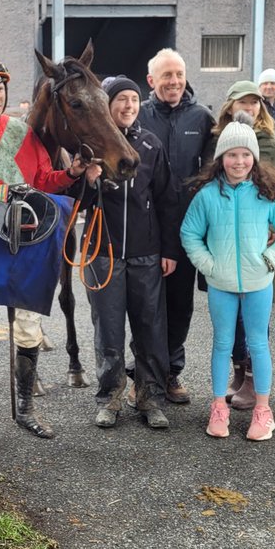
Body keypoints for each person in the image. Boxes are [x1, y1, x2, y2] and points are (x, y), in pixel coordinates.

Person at [0, 55, 98, 449]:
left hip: (26, 243)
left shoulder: (22, 132)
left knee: (30, 326)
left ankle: (26, 410)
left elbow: (43, 180)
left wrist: (72, 173)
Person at [181, 115, 275, 441]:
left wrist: (272, 258)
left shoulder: (267, 193)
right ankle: (219, 405)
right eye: (232, 155)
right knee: (222, 344)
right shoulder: (207, 195)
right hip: (221, 283)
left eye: (245, 154)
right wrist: (208, 264)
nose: (239, 161)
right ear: (221, 158)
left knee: (258, 345)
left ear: (254, 157)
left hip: (258, 283)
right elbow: (190, 233)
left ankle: (263, 409)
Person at [84, 76, 179, 429]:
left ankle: (149, 397)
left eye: (134, 100)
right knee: (108, 329)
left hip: (146, 253)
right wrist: (86, 178)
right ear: (107, 105)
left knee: (150, 327)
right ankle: (109, 397)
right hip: (102, 253)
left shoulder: (151, 145)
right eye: (121, 99)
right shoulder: (91, 147)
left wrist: (168, 249)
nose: (128, 106)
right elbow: (73, 198)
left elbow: (169, 201)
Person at [201, 81, 275, 411]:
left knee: (255, 326)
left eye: (255, 102)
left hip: (257, 256)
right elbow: (199, 213)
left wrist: (271, 238)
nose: (250, 107)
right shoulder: (216, 143)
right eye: (243, 101)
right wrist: (208, 258)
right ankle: (238, 375)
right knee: (228, 330)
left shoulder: (270, 146)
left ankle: (254, 381)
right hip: (224, 258)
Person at [138, 48, 215, 405]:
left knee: (179, 305)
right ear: (152, 81)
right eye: (166, 76)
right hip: (144, 226)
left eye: (179, 74)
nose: (174, 81)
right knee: (145, 304)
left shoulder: (202, 117)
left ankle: (171, 371)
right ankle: (143, 372)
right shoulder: (136, 115)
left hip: (186, 228)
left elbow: (214, 169)